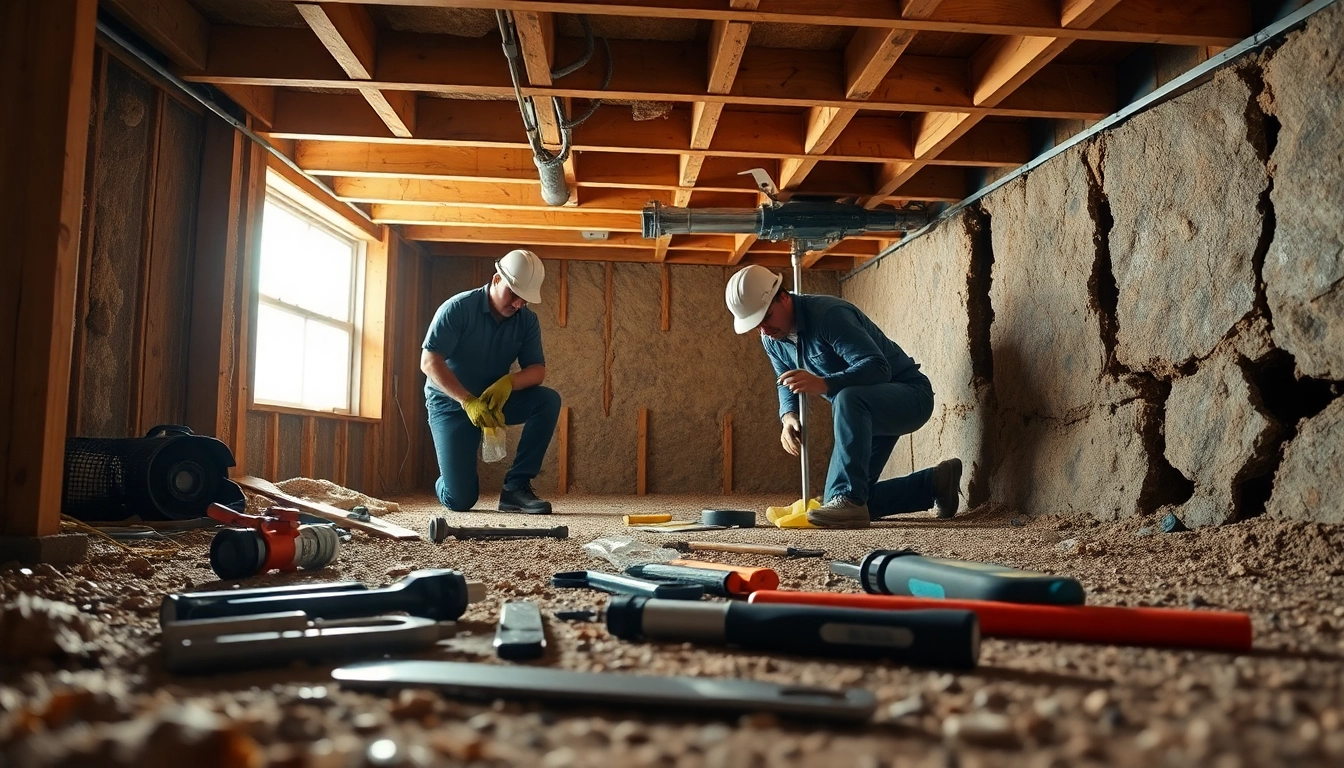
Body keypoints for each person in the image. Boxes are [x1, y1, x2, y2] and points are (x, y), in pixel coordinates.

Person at [725, 264, 962, 528]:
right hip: (861, 414)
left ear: (783, 296)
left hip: (909, 396)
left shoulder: (828, 315)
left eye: (767, 317)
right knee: (840, 498)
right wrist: (788, 416)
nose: (765, 330)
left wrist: (824, 383)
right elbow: (784, 379)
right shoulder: (772, 339)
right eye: (757, 325)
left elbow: (878, 367)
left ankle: (850, 500)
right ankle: (936, 483)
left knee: (847, 400)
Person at [421, 249, 561, 514]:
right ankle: (448, 481)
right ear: (497, 279)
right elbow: (429, 362)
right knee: (460, 500)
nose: (518, 303)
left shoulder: (526, 321)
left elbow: (536, 370)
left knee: (548, 400)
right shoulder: (458, 308)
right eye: (514, 294)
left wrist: (507, 382)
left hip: (494, 401)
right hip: (451, 403)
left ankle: (515, 488)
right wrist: (467, 400)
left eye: (525, 299)